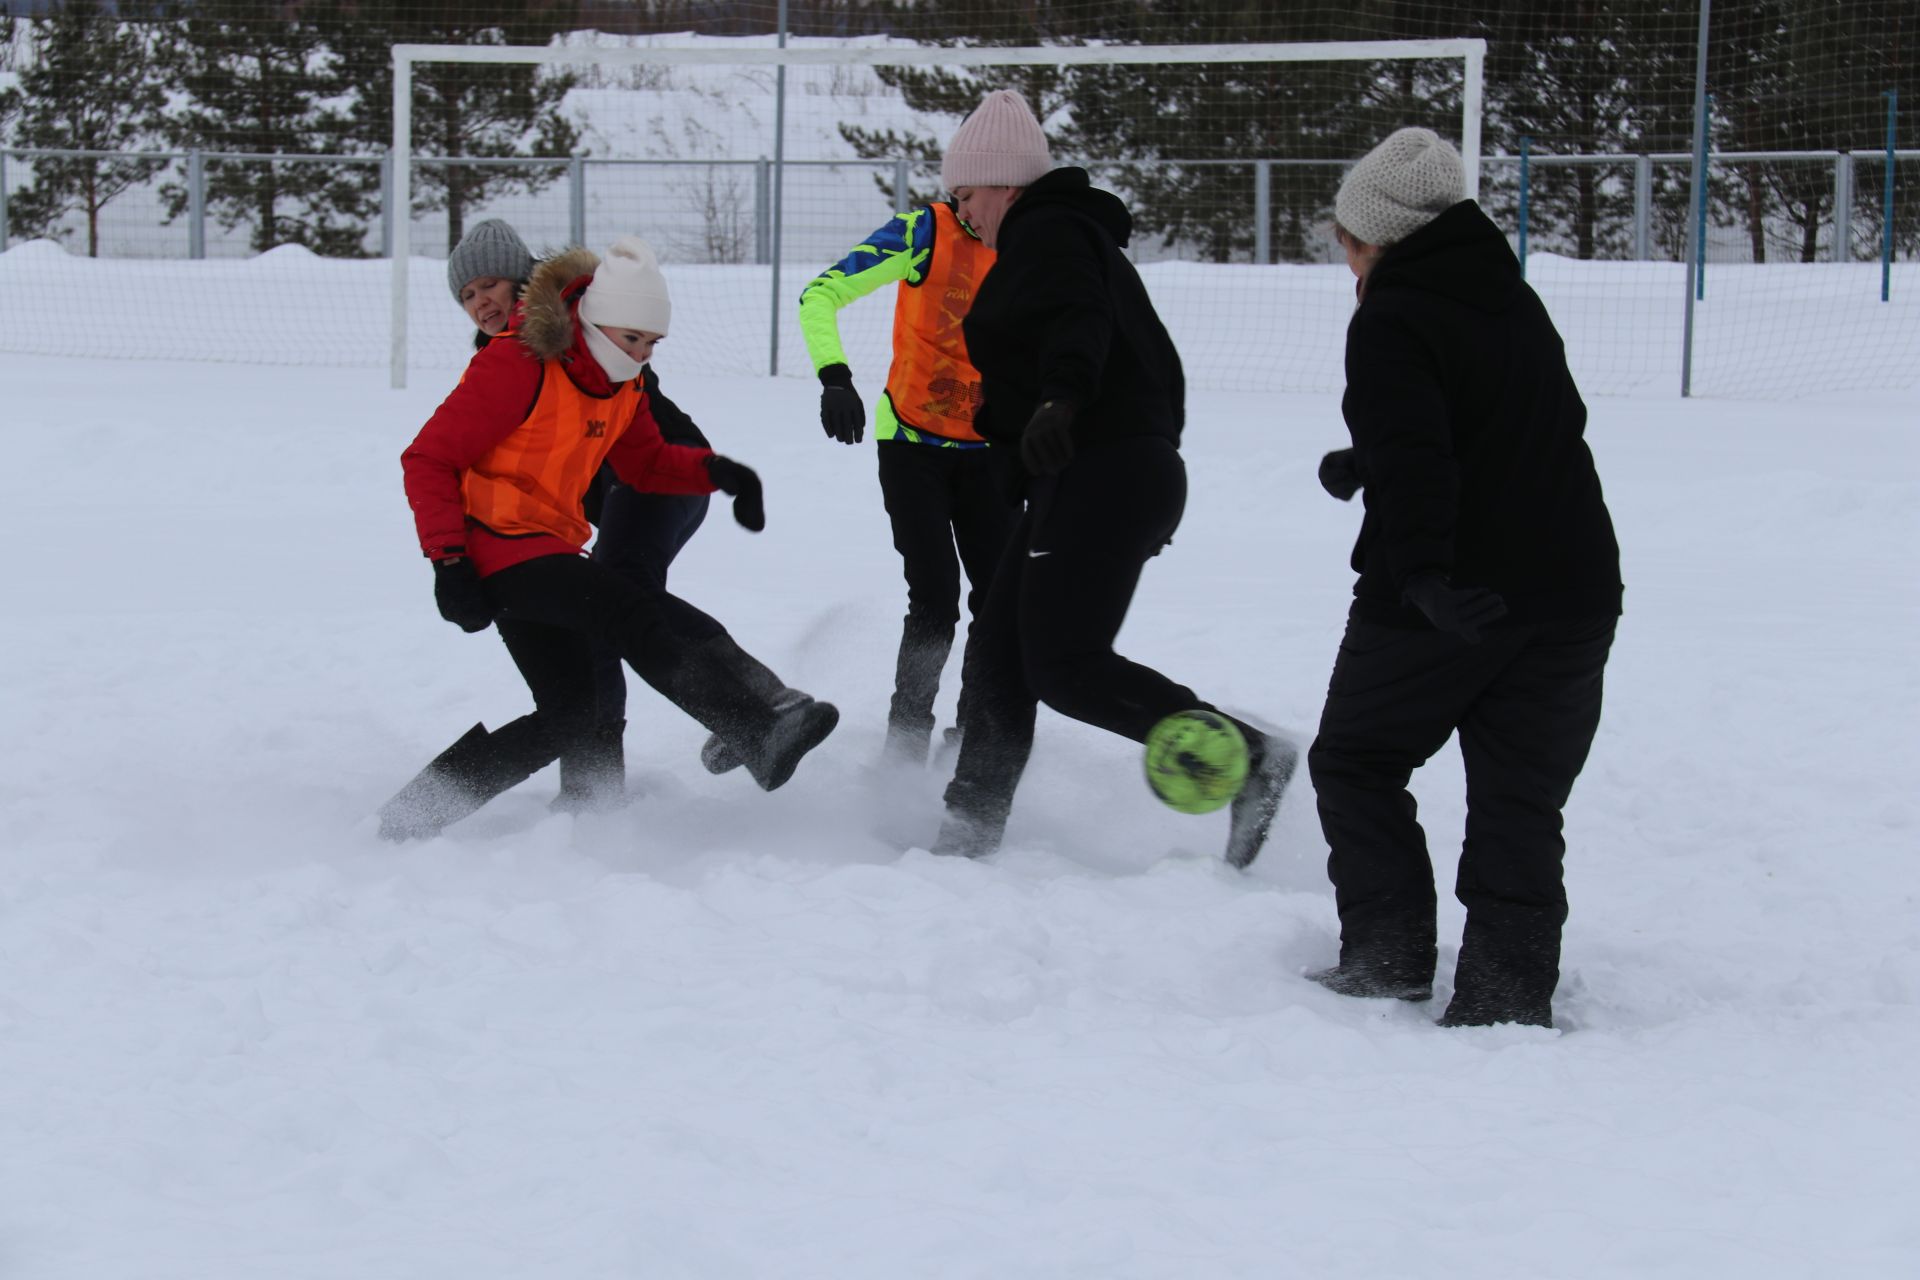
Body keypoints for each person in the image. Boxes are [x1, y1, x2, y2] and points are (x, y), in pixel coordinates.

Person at [928, 89, 1297, 866]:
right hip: (1099, 472)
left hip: (1105, 469)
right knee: (999, 650)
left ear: (1002, 186)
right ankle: (969, 831)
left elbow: (1077, 319)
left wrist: (1065, 395)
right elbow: (1144, 364)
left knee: (1063, 666)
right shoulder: (1075, 240)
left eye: (965, 198)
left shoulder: (1050, 234)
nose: (965, 216)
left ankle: (1248, 758)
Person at [1306, 127, 1622, 1029]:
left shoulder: (1393, 312)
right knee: (1520, 796)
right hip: (1573, 590)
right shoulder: (1509, 295)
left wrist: (1421, 576)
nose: (1345, 260)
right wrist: (1371, 455)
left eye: (1345, 242)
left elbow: (1423, 455)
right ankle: (1507, 995)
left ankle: (1389, 956)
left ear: (1377, 239)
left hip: (1454, 595)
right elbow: (1506, 422)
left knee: (1357, 761)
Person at [380, 235, 837, 840]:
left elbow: (647, 463)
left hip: (547, 546)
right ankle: (753, 726)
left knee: (573, 713)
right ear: (594, 322)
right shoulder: (514, 360)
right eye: (633, 338)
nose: (643, 352)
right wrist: (448, 562)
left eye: (652, 343)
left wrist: (719, 473)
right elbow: (426, 458)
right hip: (500, 548)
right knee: (626, 608)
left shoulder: (622, 382)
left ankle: (415, 812)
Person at [794, 186, 1018, 766]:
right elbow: (820, 294)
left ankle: (976, 731)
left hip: (993, 450)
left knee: (999, 601)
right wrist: (835, 377)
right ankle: (906, 739)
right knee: (936, 596)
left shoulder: (1033, 246)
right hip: (912, 445)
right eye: (972, 194)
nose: (982, 210)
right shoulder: (923, 233)